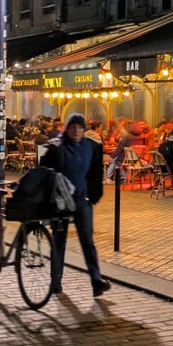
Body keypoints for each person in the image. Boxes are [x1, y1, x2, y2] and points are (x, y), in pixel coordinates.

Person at [39, 113, 109, 298]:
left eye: (79, 127)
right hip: (60, 201)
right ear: (67, 129)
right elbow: (44, 171)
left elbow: (95, 171)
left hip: (81, 199)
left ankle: (96, 280)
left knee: (88, 241)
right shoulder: (57, 147)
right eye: (73, 127)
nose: (76, 131)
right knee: (59, 240)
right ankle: (56, 280)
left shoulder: (90, 147)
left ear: (84, 129)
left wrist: (93, 195)